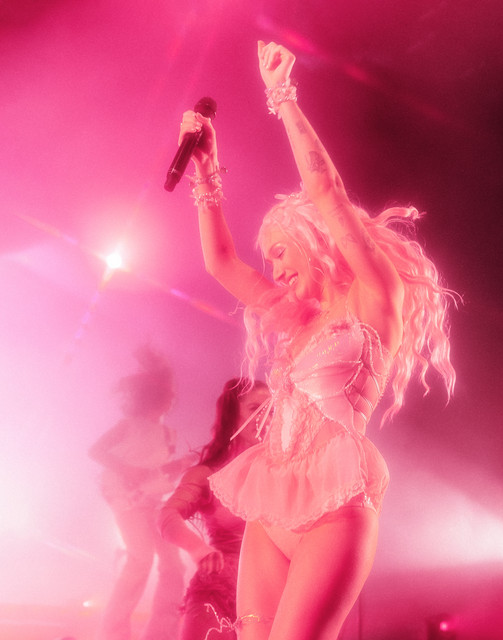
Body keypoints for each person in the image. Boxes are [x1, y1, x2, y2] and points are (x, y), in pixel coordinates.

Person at [176, 41, 457, 640]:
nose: (274, 270)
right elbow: (221, 263)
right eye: (271, 259)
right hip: (272, 505)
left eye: (282, 252)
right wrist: (206, 169)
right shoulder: (296, 318)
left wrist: (283, 97)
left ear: (316, 243)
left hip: (335, 510)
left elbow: (327, 191)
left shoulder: (376, 298)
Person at [89, 346, 190, 640]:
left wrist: (180, 466)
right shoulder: (127, 426)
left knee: (174, 566)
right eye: (167, 393)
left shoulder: (169, 435)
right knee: (141, 559)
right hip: (126, 500)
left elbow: (157, 472)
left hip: (154, 501)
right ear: (152, 394)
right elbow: (95, 451)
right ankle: (113, 633)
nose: (172, 398)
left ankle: (162, 632)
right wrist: (126, 469)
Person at [159, 378, 270, 640]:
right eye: (254, 408)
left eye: (271, 410)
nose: (265, 417)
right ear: (231, 416)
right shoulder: (207, 474)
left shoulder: (282, 474)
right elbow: (167, 515)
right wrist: (197, 548)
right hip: (218, 590)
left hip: (268, 594)